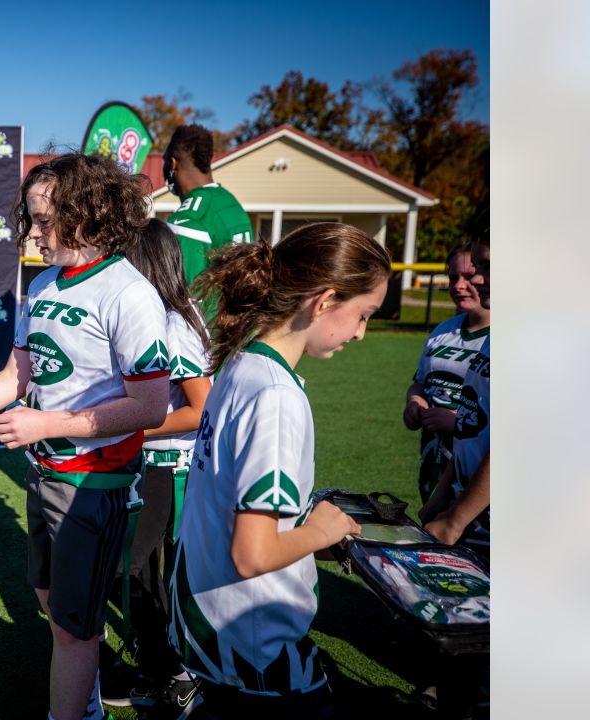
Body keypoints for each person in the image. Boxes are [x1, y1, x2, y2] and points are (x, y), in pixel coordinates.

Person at [0, 153, 172, 720]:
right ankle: (89, 705)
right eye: (30, 218)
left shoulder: (129, 295)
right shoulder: (46, 283)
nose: (31, 232)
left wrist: (46, 424)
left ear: (89, 216)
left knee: (75, 633)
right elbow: (15, 378)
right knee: (54, 609)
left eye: (45, 221)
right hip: (44, 476)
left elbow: (152, 407)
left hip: (93, 487)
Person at [170, 223, 390, 718]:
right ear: (325, 300)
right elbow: (253, 554)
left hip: (209, 623)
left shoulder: (241, 365)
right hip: (253, 645)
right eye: (363, 315)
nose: (361, 332)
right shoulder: (276, 396)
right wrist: (319, 530)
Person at [101, 219, 212, 716]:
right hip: (154, 466)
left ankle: (177, 671)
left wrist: (133, 428)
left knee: (142, 569)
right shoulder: (162, 314)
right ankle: (160, 664)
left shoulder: (173, 322)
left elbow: (200, 409)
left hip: (171, 469)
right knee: (140, 570)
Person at [419, 231, 490, 719]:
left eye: (481, 267)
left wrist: (456, 518)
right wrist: (444, 497)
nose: (474, 280)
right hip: (464, 501)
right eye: (466, 270)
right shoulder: (468, 341)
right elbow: (473, 429)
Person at [403, 243, 490, 503]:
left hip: (477, 476)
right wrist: (414, 401)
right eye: (453, 277)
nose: (459, 285)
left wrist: (455, 423)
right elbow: (420, 382)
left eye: (470, 275)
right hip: (434, 460)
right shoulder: (443, 330)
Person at [162, 124, 253, 289]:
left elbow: (191, 301)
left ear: (173, 163)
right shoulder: (231, 203)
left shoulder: (189, 217)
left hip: (211, 314)